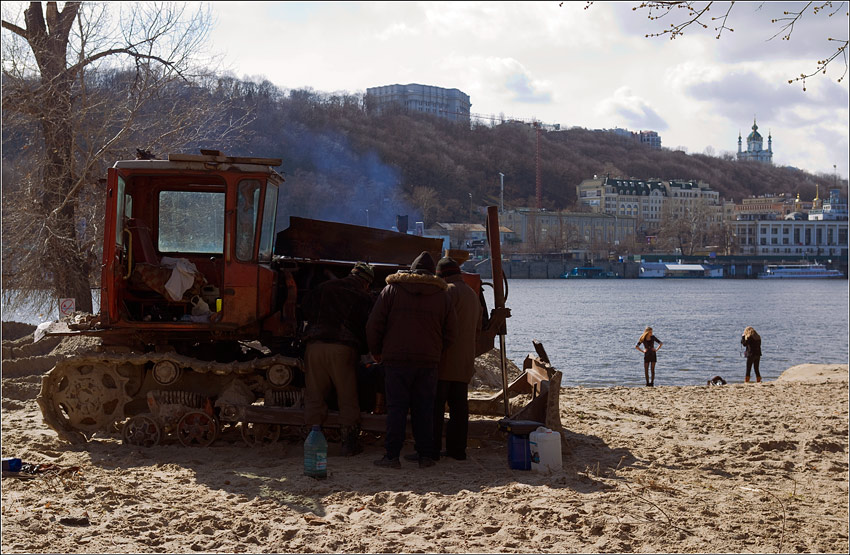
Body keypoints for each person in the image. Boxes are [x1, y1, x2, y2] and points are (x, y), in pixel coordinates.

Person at [367, 251, 457, 469]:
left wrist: (376, 351)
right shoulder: (442, 295)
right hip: (427, 363)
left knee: (396, 408)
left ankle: (391, 456)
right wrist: (436, 351)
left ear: (411, 270)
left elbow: (374, 324)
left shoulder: (392, 290)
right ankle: (425, 456)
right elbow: (451, 332)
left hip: (395, 361)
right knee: (424, 409)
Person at [302, 261, 375, 456]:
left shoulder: (323, 287)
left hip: (314, 345)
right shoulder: (364, 297)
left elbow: (303, 310)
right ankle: (348, 443)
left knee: (314, 394)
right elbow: (368, 327)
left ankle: (313, 436)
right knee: (347, 395)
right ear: (367, 282)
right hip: (343, 348)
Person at [425, 256, 482, 462]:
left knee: (436, 407)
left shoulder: (447, 292)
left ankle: (431, 450)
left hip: (445, 360)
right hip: (465, 361)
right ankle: (457, 450)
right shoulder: (471, 293)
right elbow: (478, 327)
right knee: (459, 409)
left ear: (442, 276)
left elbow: (436, 324)